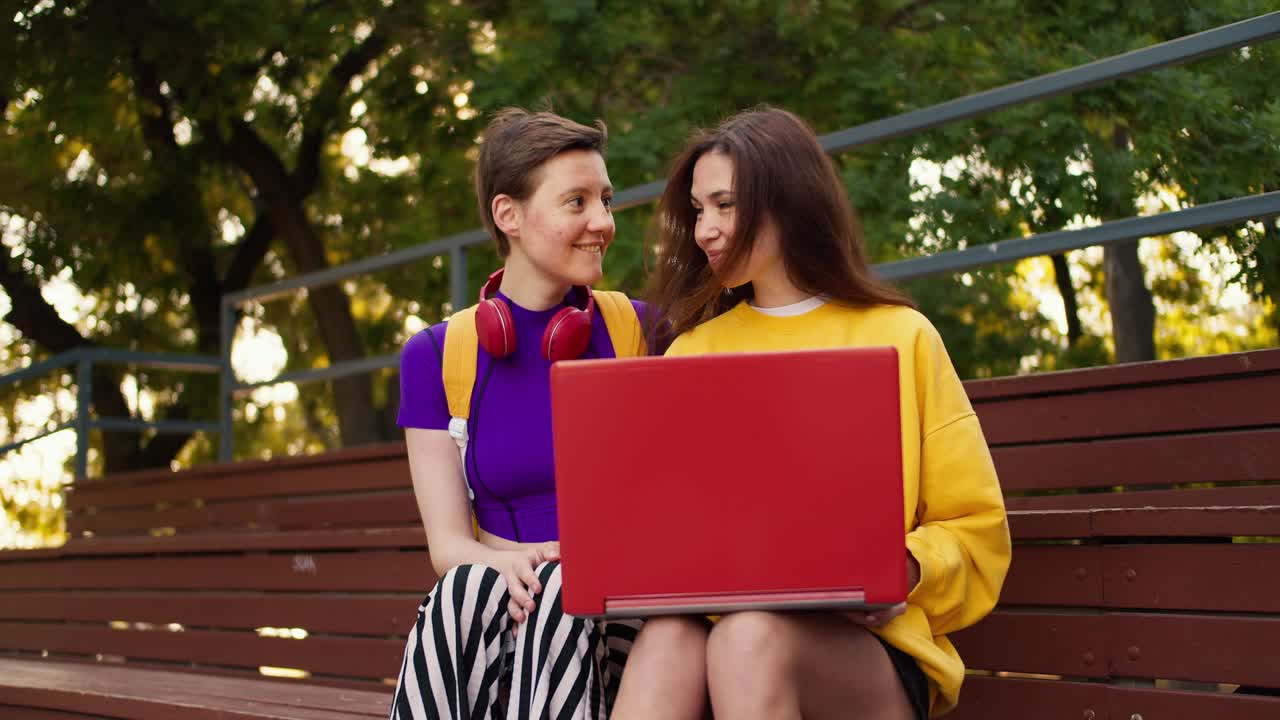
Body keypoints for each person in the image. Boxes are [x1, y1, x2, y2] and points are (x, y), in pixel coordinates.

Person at [612, 106, 1011, 720]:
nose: (703, 231)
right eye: (697, 211)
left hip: (866, 656)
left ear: (787, 204)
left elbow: (977, 533)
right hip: (722, 640)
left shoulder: (900, 336)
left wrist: (904, 570)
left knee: (746, 637)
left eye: (724, 205)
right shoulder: (692, 351)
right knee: (668, 637)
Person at [389, 108, 646, 720]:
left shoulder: (639, 329)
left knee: (564, 590)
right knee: (460, 590)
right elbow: (449, 544)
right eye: (576, 202)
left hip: (618, 614)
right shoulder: (435, 357)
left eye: (606, 200)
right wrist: (511, 566)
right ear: (509, 216)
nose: (603, 222)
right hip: (501, 603)